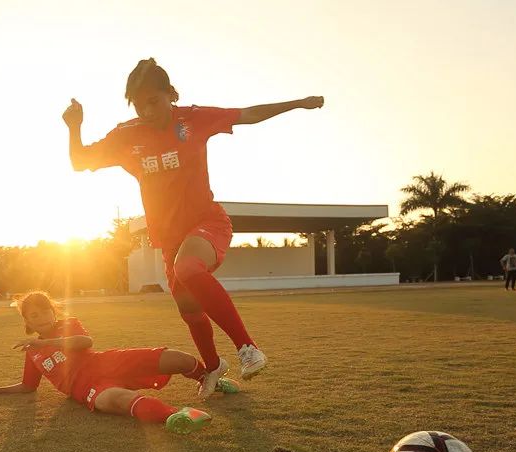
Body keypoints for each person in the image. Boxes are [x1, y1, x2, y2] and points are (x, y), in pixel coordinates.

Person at [62, 58, 324, 397]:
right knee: (188, 308)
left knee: (188, 268)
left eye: (153, 101)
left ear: (170, 94)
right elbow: (80, 161)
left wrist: (298, 104)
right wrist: (74, 126)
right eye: (139, 105)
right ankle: (213, 366)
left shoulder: (194, 118)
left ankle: (248, 348)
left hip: (207, 223)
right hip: (169, 241)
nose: (147, 111)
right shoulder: (126, 135)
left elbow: (247, 114)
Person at [0, 291, 239, 434]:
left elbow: (85, 342)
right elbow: (27, 387)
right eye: (34, 316)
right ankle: (177, 416)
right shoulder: (32, 352)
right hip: (84, 387)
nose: (41, 318)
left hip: (107, 362)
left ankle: (207, 377)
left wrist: (45, 342)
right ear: (27, 321)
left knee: (176, 358)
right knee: (119, 400)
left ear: (53, 310)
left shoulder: (68, 324)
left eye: (45, 311)